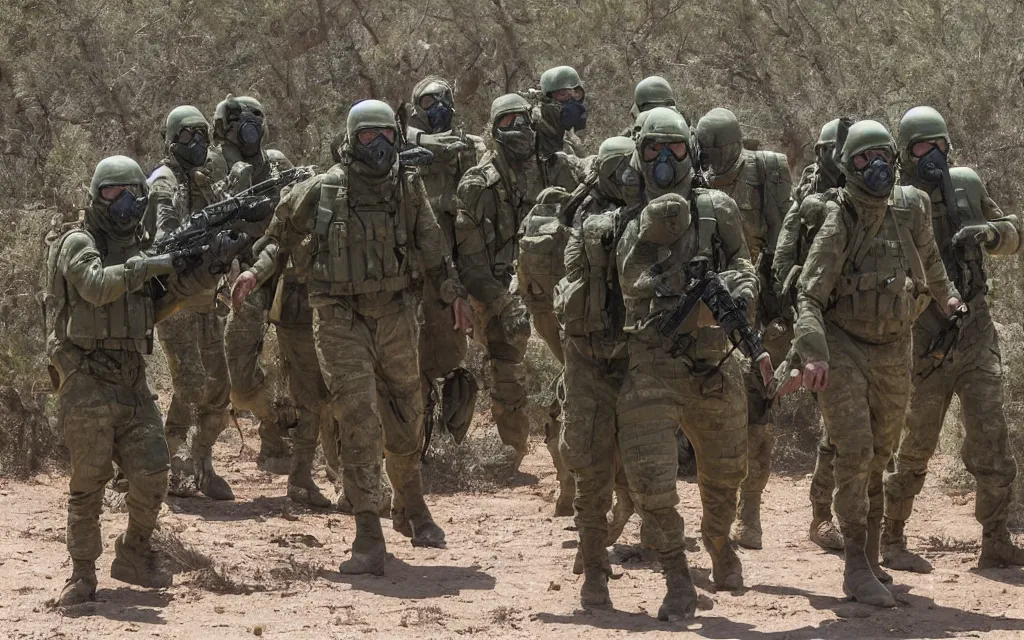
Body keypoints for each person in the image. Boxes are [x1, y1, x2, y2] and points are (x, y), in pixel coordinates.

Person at [234, 99, 470, 574]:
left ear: (398, 138)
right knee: (357, 416)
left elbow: (432, 251)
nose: (378, 145)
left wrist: (454, 294)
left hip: (395, 314)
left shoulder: (407, 189)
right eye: (368, 136)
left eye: (386, 135)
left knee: (407, 413)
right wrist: (255, 274)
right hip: (338, 316)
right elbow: (277, 240)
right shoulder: (323, 189)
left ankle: (412, 505)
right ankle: (368, 528)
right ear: (350, 138)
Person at [47, 156, 246, 605]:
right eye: (113, 192)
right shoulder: (78, 241)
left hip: (131, 377)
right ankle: (82, 574)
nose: (124, 202)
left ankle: (133, 553)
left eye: (132, 192)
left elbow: (158, 307)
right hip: (85, 375)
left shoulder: (140, 245)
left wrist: (204, 269)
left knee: (155, 467)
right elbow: (96, 285)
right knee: (89, 479)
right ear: (97, 196)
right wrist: (153, 263)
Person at [784, 120, 960, 606]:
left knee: (882, 454)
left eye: (882, 155)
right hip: (843, 346)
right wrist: (814, 355)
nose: (875, 166)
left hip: (894, 346)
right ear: (847, 165)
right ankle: (855, 566)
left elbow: (931, 261)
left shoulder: (912, 207)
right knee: (856, 450)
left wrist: (951, 301)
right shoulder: (840, 218)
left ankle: (875, 558)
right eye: (863, 158)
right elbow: (809, 295)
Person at [615, 108, 773, 619]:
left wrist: (741, 289)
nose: (665, 159)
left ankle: (719, 543)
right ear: (638, 154)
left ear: (692, 151)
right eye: (654, 149)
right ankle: (676, 577)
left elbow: (743, 263)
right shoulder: (623, 211)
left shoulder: (717, 207)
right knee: (652, 481)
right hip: (651, 360)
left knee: (726, 474)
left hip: (712, 360)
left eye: (676, 148)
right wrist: (663, 288)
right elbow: (624, 277)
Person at [882, 106, 1024, 572]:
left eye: (938, 145)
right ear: (905, 154)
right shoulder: (894, 200)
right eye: (922, 147)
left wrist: (990, 232)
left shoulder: (966, 183)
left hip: (976, 332)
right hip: (922, 338)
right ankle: (892, 537)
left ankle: (996, 539)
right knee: (914, 444)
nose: (932, 156)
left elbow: (1014, 233)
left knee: (991, 439)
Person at [694, 107, 793, 550]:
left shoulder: (766, 173)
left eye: (722, 152)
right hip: (702, 309)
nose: (716, 161)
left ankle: (749, 513)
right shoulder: (689, 174)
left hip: (754, 312)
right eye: (708, 153)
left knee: (757, 415)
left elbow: (784, 246)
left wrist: (779, 312)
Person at [554, 136, 644, 607]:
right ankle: (594, 573)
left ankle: (676, 578)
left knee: (649, 468)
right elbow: (568, 284)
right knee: (590, 472)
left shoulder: (661, 219)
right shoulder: (582, 225)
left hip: (641, 361)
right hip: (589, 360)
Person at [215, 94, 301, 477]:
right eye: (239, 120)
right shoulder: (211, 166)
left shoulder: (278, 162)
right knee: (235, 369)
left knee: (295, 362)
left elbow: (297, 211)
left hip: (281, 274)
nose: (249, 126)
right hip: (234, 277)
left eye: (256, 118)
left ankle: (279, 440)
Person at [154, 105, 234, 500]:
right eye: (187, 135)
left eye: (202, 133)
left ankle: (202, 463)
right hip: (177, 302)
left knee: (220, 390)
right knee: (190, 385)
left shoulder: (206, 180)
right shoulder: (164, 182)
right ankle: (171, 465)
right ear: (170, 141)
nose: (197, 142)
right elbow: (165, 240)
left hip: (209, 298)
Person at [774, 117, 846, 552]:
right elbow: (783, 264)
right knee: (837, 428)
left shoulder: (878, 197)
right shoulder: (807, 202)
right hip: (819, 322)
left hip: (870, 326)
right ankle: (822, 516)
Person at [405, 76, 483, 450]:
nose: (435, 108)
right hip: (407, 276)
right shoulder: (398, 148)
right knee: (406, 365)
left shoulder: (466, 151)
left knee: (451, 361)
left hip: (448, 275)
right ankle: (414, 448)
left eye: (442, 100)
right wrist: (422, 143)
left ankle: (447, 439)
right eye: (426, 101)